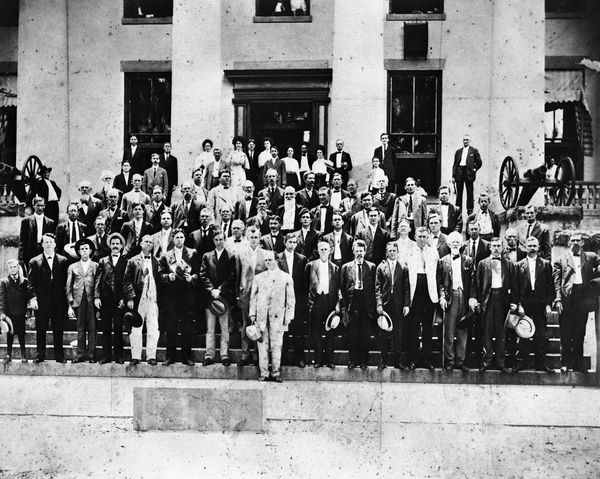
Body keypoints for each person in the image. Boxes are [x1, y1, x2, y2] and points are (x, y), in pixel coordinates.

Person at [553, 233, 600, 373]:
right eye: (572, 240)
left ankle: (577, 364)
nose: (575, 243)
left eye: (578, 241)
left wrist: (595, 282)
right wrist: (558, 299)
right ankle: (565, 363)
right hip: (567, 298)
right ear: (568, 243)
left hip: (583, 298)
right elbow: (556, 282)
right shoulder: (560, 259)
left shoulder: (590, 257)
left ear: (582, 243)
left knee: (580, 333)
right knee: (566, 333)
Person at [250, 249, 295, 382]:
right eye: (266, 260)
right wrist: (252, 314)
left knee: (277, 344)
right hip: (262, 316)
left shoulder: (286, 277)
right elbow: (253, 297)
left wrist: (288, 316)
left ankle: (276, 372)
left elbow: (291, 299)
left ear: (276, 260)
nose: (268, 262)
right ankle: (264, 372)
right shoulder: (259, 278)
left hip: (278, 316)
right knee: (262, 344)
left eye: (270, 260)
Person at [513, 236, 555, 373]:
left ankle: (540, 363)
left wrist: (548, 304)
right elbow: (515, 287)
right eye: (529, 246)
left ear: (538, 247)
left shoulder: (545, 264)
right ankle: (521, 362)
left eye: (534, 246)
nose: (532, 248)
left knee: (540, 334)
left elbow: (550, 286)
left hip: (540, 303)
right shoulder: (518, 265)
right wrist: (519, 304)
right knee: (523, 332)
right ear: (525, 247)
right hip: (525, 303)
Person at [159, 228, 200, 366]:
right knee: (171, 328)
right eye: (177, 237)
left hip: (186, 296)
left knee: (186, 328)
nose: (179, 240)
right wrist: (168, 277)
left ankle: (186, 357)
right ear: (173, 238)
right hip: (172, 296)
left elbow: (199, 273)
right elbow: (160, 275)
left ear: (184, 238)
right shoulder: (166, 255)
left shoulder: (192, 253)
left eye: (181, 237)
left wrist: (192, 278)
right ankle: (170, 356)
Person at [437, 232, 477, 372]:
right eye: (453, 242)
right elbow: (440, 282)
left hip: (464, 296)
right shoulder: (443, 261)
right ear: (448, 244)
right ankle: (449, 360)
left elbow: (473, 281)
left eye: (457, 242)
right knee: (449, 330)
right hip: (450, 296)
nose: (455, 244)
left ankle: (460, 360)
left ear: (461, 244)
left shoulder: (468, 260)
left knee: (462, 329)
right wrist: (442, 297)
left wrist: (472, 297)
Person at [27, 233, 69, 363]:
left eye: (51, 242)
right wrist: (33, 298)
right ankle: (40, 354)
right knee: (41, 328)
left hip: (58, 302)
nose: (49, 244)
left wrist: (67, 302)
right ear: (42, 244)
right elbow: (31, 283)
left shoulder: (63, 260)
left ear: (55, 244)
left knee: (58, 328)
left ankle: (59, 355)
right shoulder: (34, 261)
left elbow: (67, 282)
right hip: (42, 301)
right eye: (46, 242)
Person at [475, 236, 513, 372]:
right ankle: (487, 360)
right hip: (488, 299)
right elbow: (478, 284)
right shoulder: (482, 263)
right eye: (494, 246)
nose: (496, 248)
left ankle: (500, 362)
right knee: (487, 330)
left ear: (502, 247)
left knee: (501, 331)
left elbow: (513, 284)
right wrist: (478, 301)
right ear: (490, 247)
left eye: (498, 246)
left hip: (502, 299)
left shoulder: (508, 264)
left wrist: (513, 302)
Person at [123, 234, 161, 366]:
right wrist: (130, 297)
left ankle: (151, 356)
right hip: (138, 298)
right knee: (136, 328)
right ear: (140, 243)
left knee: (153, 328)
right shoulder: (133, 261)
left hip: (152, 298)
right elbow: (127, 281)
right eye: (146, 241)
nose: (148, 244)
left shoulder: (156, 261)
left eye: (151, 242)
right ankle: (136, 356)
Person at [405, 226, 439, 370]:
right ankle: (413, 358)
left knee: (427, 327)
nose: (422, 239)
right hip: (415, 291)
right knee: (413, 327)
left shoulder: (433, 252)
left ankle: (426, 358)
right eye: (420, 236)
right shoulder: (409, 251)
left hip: (429, 292)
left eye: (425, 237)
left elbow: (437, 273)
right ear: (415, 237)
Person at [199, 231, 235, 366]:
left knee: (225, 328)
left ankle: (224, 355)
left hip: (224, 297)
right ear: (213, 241)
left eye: (221, 239)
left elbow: (232, 276)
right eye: (216, 239)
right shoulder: (207, 256)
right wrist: (211, 290)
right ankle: (209, 355)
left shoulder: (231, 256)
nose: (219, 242)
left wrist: (220, 289)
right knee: (210, 328)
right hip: (210, 297)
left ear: (225, 240)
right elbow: (203, 274)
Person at [340, 240, 377, 370]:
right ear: (353, 251)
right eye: (357, 251)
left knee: (365, 333)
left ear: (365, 252)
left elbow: (375, 287)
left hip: (366, 303)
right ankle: (352, 360)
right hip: (352, 301)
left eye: (361, 251)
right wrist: (344, 306)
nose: (359, 253)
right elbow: (342, 288)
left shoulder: (372, 267)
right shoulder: (346, 267)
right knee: (352, 333)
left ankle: (363, 361)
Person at [236, 226, 268, 366]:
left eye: (256, 237)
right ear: (247, 238)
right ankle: (245, 354)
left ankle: (256, 355)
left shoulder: (266, 254)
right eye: (251, 237)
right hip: (246, 293)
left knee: (258, 324)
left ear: (259, 238)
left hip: (260, 294)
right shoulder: (241, 254)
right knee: (245, 324)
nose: (253, 240)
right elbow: (238, 275)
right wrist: (238, 294)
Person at [375, 242, 410, 369]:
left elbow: (406, 288)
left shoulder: (403, 267)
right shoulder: (381, 267)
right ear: (386, 252)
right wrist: (379, 304)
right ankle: (383, 361)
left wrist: (406, 304)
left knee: (398, 334)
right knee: (384, 333)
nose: (392, 253)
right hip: (385, 304)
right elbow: (377, 287)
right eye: (389, 250)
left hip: (398, 305)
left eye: (394, 250)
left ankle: (397, 362)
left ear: (397, 252)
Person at [306, 241, 340, 368]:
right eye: (321, 249)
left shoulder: (335, 268)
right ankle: (318, 359)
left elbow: (337, 288)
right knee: (316, 331)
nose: (324, 252)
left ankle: (330, 360)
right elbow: (306, 285)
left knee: (330, 330)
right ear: (318, 251)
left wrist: (337, 305)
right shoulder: (311, 265)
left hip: (329, 300)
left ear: (330, 251)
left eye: (326, 249)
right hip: (316, 300)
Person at [96, 232, 128, 364]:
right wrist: (97, 297)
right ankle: (106, 356)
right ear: (109, 245)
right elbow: (98, 280)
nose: (115, 246)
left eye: (117, 244)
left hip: (119, 299)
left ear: (121, 245)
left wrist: (124, 298)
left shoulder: (126, 261)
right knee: (106, 328)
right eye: (113, 243)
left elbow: (127, 281)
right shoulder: (103, 261)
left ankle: (119, 356)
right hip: (106, 299)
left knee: (118, 328)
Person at [66, 238, 99, 363]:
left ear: (90, 251)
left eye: (87, 249)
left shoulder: (96, 266)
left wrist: (97, 298)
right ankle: (80, 354)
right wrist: (70, 303)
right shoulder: (73, 267)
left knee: (92, 327)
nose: (84, 251)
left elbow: (98, 284)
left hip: (91, 299)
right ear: (79, 252)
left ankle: (91, 354)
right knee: (80, 328)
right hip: (79, 299)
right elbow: (68, 285)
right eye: (82, 249)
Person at [277, 234, 308, 367]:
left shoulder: (302, 259)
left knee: (298, 330)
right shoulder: (278, 257)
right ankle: (282, 358)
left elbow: (305, 281)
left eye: (294, 242)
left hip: (297, 299)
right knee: (283, 330)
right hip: (282, 298)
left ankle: (299, 358)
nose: (292, 245)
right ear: (285, 243)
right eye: (289, 242)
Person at [0, 259, 29, 362]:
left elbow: (27, 296)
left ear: (18, 267)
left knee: (21, 334)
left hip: (21, 312)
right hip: (10, 313)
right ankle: (9, 355)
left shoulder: (24, 281)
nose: (13, 269)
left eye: (14, 267)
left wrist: (27, 310)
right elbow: (1, 298)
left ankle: (23, 355)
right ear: (7, 269)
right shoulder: (4, 282)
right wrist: (2, 312)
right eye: (10, 267)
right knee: (10, 334)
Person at [18, 196, 56, 270]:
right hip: (30, 250)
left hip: (44, 249)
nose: (40, 208)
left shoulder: (50, 222)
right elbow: (22, 240)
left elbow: (52, 239)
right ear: (33, 206)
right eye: (38, 205)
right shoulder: (26, 221)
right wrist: (20, 257)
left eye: (42, 205)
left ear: (44, 206)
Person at [453, 134, 482, 215]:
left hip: (468, 172)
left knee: (469, 192)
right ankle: (458, 210)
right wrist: (453, 175)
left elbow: (479, 162)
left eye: (467, 140)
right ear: (463, 141)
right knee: (459, 192)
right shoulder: (458, 152)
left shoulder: (474, 151)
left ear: (470, 141)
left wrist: (474, 169)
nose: (465, 141)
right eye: (464, 140)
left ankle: (470, 210)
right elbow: (455, 164)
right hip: (459, 171)